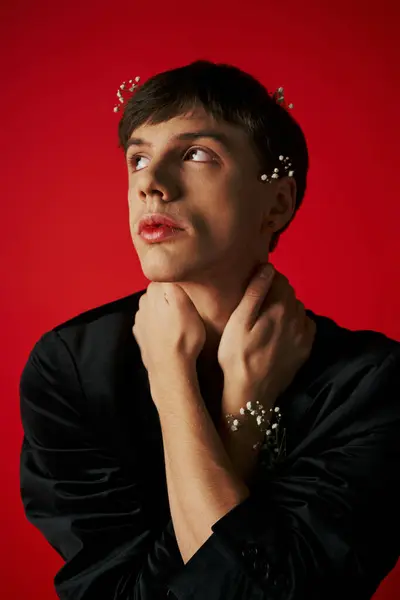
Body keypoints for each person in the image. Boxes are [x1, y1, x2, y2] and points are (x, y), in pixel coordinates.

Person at [19, 60, 400, 600]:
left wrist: (177, 386)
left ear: (277, 203)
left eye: (197, 154)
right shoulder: (73, 367)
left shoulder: (369, 386)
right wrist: (219, 405)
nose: (151, 183)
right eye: (138, 158)